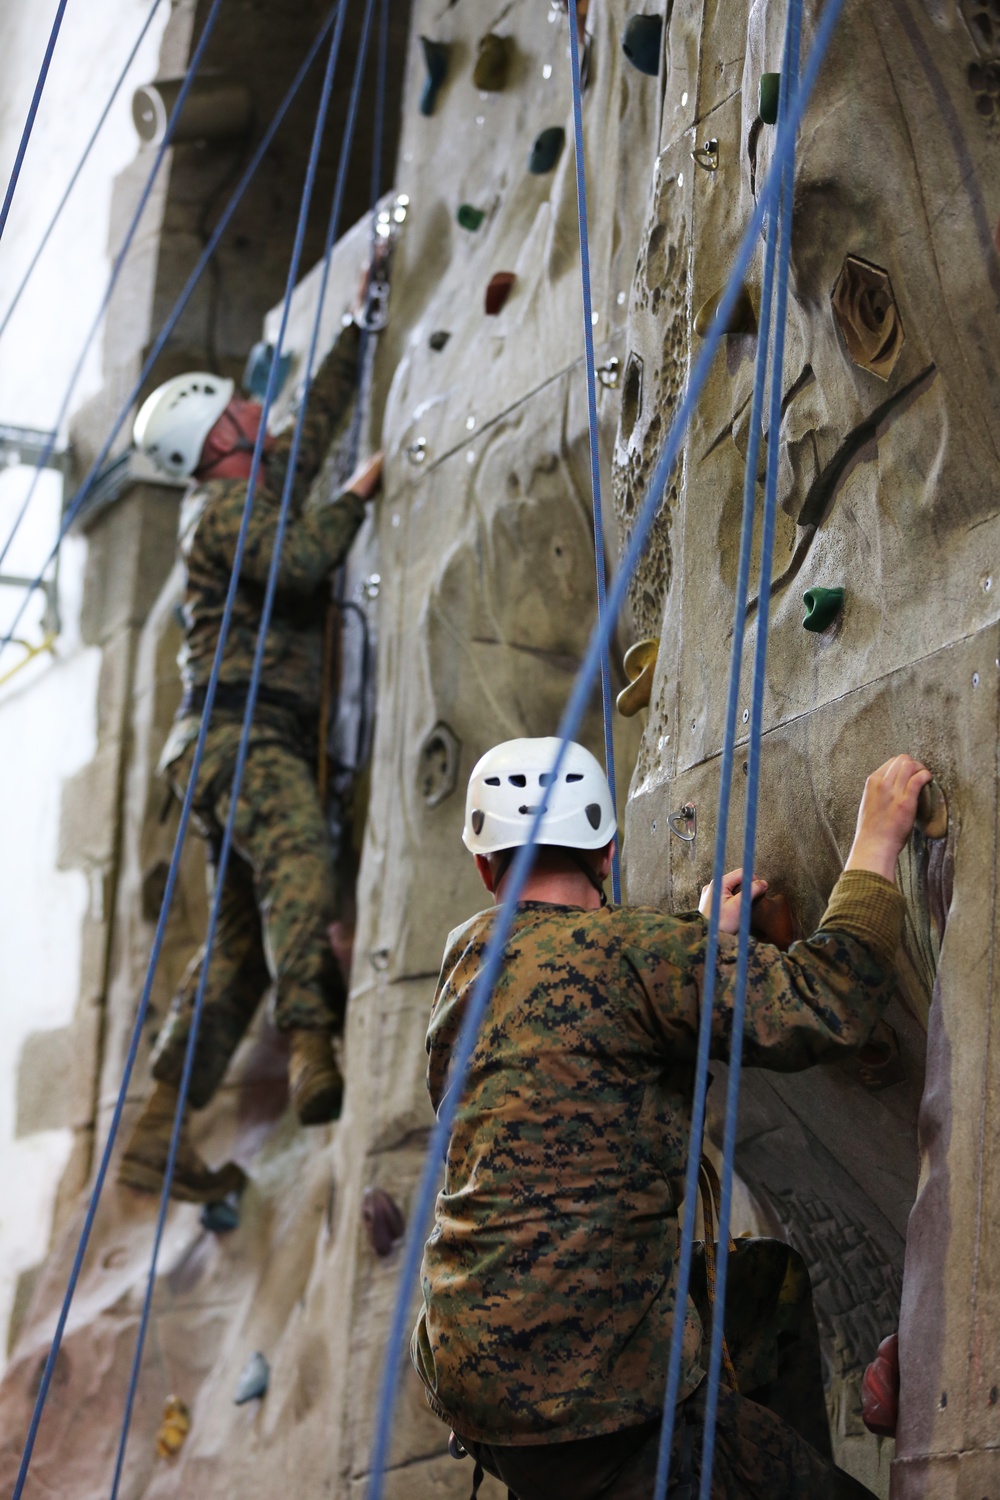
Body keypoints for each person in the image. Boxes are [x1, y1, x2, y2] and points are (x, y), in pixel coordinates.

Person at [410, 737, 931, 1498]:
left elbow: (584, 1042)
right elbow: (829, 1000)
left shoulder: (466, 962)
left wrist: (692, 949)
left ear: (486, 868)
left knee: (764, 1287)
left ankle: (741, 1455)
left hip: (474, 1379)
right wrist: (876, 839)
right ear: (609, 852)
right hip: (598, 1402)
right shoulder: (639, 955)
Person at [117, 304, 382, 1205]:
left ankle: (157, 1129)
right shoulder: (221, 509)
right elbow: (304, 559)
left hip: (224, 744)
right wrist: (355, 499)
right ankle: (312, 1044)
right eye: (238, 411)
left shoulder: (243, 491)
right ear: (218, 437)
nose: (253, 412)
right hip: (243, 735)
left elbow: (306, 429)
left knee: (235, 946)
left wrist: (359, 325)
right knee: (299, 866)